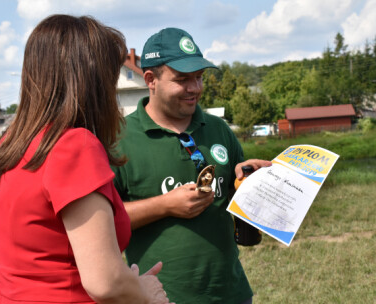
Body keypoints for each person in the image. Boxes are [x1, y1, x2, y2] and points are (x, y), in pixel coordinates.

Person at [0, 15, 170, 303]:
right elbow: (104, 282)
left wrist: (127, 282)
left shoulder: (9, 146)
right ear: (91, 81)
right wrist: (142, 293)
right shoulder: (73, 146)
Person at [111, 27, 271, 304]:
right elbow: (104, 222)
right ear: (151, 79)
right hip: (162, 297)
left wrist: (251, 184)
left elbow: (240, 205)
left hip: (231, 293)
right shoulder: (120, 140)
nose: (195, 88)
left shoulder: (218, 129)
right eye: (183, 79)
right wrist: (165, 205)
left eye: (199, 78)